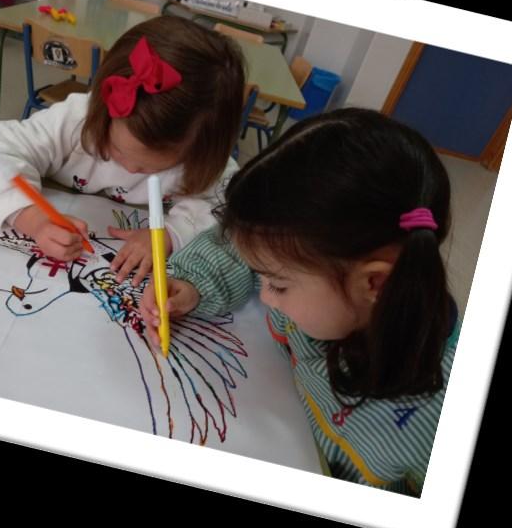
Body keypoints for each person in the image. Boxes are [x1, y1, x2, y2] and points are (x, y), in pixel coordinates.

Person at [140, 108, 459, 495]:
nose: (265, 295)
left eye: (278, 285)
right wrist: (193, 283)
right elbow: (244, 248)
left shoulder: (438, 426)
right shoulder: (315, 259)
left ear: (374, 282)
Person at [0, 16, 246, 286]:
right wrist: (33, 219)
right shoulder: (76, 119)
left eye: (152, 167)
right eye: (118, 151)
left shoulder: (202, 152)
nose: (131, 169)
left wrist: (169, 234)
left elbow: (228, 205)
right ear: (103, 109)